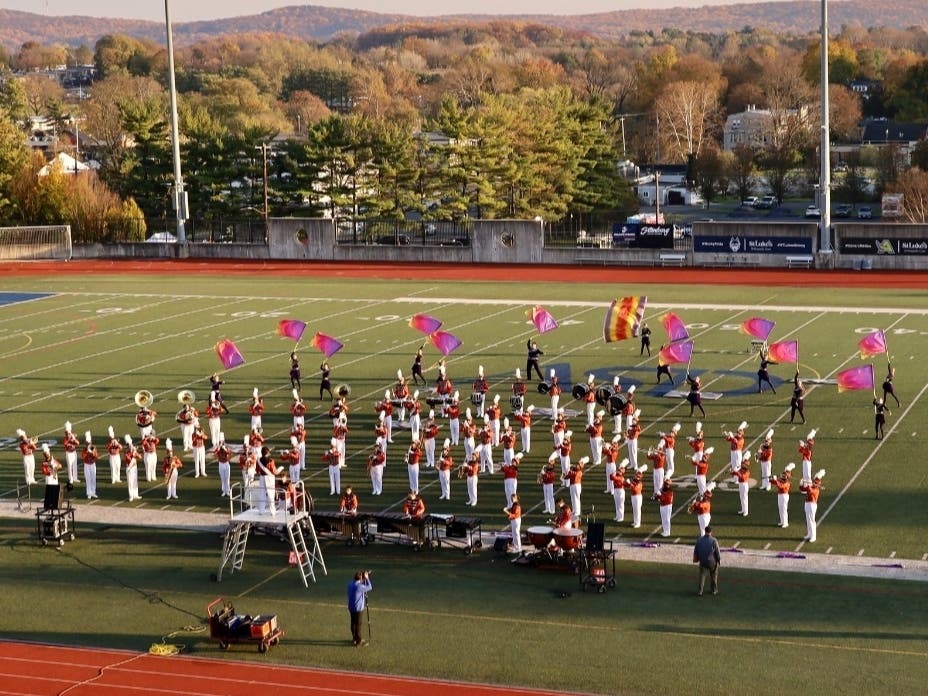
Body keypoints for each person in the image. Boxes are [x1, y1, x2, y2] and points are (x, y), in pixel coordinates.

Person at [346, 570, 372, 647]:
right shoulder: (360, 587)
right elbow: (370, 587)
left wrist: (363, 579)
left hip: (351, 607)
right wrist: (367, 578)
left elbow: (358, 583)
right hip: (358, 608)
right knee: (358, 625)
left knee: (353, 623)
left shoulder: (350, 584)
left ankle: (354, 638)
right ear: (360, 578)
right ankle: (359, 641)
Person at [692, 526, 721, 596]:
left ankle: (700, 591)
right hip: (712, 562)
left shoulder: (699, 540)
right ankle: (714, 590)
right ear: (711, 532)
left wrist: (696, 559)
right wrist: (719, 560)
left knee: (702, 576)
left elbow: (695, 551)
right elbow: (717, 552)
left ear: (705, 531)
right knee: (714, 576)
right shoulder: (714, 540)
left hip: (703, 561)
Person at [799, 470, 825, 543]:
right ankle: (809, 534)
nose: (813, 483)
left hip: (812, 505)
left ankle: (813, 536)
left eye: (814, 483)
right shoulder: (813, 486)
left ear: (817, 484)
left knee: (812, 520)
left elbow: (809, 490)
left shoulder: (815, 490)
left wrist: (807, 484)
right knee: (808, 520)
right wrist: (801, 484)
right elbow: (802, 489)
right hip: (807, 504)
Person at [771, 463, 795, 528]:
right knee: (780, 509)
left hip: (784, 496)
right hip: (780, 495)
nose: (783, 475)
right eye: (783, 474)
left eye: (784, 475)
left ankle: (785, 523)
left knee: (784, 509)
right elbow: (773, 482)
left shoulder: (787, 482)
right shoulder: (781, 480)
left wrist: (775, 480)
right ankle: (782, 521)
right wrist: (772, 478)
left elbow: (780, 486)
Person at [123, 435, 142, 501]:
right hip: (129, 468)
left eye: (130, 445)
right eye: (129, 445)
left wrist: (135, 453)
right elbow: (128, 459)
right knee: (130, 482)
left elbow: (140, 457)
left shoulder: (133, 450)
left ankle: (136, 494)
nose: (130, 446)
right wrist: (132, 454)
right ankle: (131, 495)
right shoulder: (126, 451)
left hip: (134, 467)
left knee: (135, 481)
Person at [81, 431, 98, 499]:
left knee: (93, 478)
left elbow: (96, 457)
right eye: (87, 443)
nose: (89, 444)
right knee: (88, 479)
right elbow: (83, 457)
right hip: (87, 465)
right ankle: (89, 493)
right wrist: (87, 452)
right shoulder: (84, 449)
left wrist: (92, 453)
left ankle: (93, 492)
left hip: (92, 464)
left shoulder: (93, 448)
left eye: (89, 442)